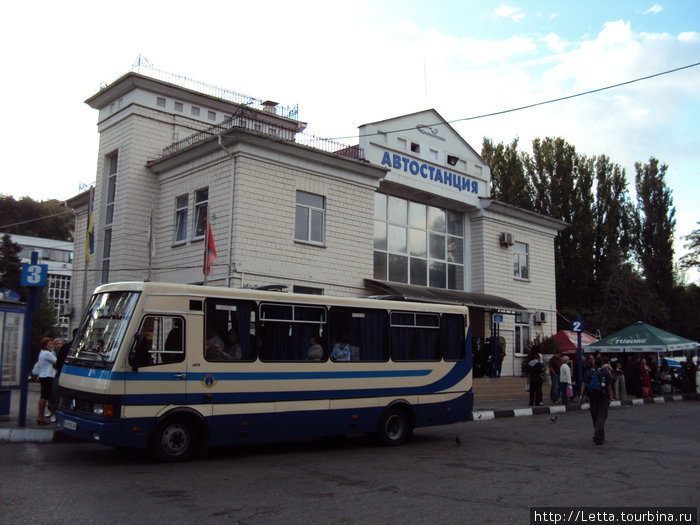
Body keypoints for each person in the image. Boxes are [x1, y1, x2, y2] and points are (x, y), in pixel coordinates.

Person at [579, 357, 613, 445]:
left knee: (595, 416)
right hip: (603, 396)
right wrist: (611, 396)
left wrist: (581, 396)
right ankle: (597, 436)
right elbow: (609, 386)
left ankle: (600, 437)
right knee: (602, 417)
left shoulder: (589, 372)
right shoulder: (605, 372)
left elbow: (584, 384)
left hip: (592, 396)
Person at [36, 337, 57, 425]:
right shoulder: (47, 354)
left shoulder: (42, 353)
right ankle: (41, 416)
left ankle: (40, 416)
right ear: (45, 345)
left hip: (42, 375)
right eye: (50, 344)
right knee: (45, 397)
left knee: (43, 396)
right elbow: (57, 361)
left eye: (52, 344)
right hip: (47, 376)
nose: (52, 346)